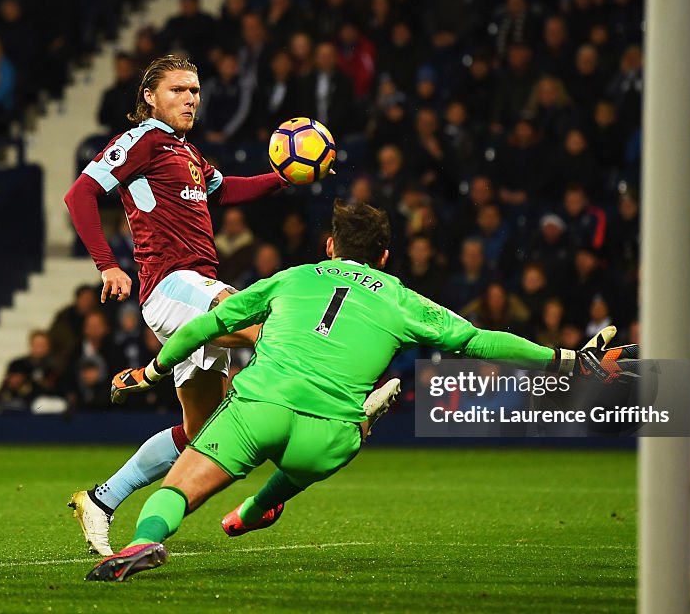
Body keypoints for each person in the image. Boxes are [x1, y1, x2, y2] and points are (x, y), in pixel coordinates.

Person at [85, 201, 635, 581]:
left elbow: (204, 328)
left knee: (179, 489)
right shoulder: (401, 298)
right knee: (318, 451)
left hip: (260, 408)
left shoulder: (294, 276)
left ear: (330, 247)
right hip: (327, 436)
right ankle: (256, 509)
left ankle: (143, 542)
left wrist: (153, 373)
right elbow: (481, 340)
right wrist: (566, 358)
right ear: (386, 258)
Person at [62, 55, 407, 557]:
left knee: (203, 432)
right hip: (172, 285)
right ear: (150, 98)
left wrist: (284, 178)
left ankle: (101, 499)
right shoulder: (142, 141)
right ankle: (345, 408)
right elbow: (80, 195)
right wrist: (107, 265)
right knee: (270, 323)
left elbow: (226, 191)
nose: (190, 98)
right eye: (179, 89)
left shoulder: (188, 153)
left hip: (196, 287)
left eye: (196, 91)